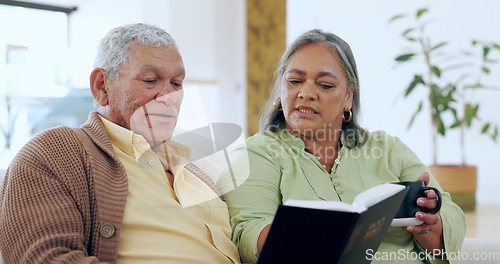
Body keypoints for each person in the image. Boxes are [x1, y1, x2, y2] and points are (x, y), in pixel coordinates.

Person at [219, 29, 466, 263]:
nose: (306, 93)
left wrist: (429, 225)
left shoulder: (387, 147)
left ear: (349, 96)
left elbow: (453, 217)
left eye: (324, 85)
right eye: (295, 80)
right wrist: (319, 233)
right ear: (281, 89)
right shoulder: (254, 154)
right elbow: (246, 236)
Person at [0, 23, 240, 264]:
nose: (169, 98)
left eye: (176, 83)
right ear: (102, 86)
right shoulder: (55, 151)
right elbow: (44, 258)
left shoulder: (194, 167)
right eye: (150, 80)